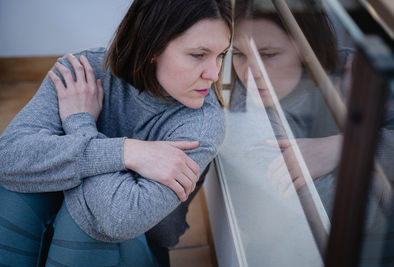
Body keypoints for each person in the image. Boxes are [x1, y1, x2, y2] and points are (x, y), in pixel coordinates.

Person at [0, 0, 232, 266]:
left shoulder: (201, 124)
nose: (214, 74)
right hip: (53, 215)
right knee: (16, 187)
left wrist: (81, 124)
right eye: (198, 55)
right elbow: (7, 158)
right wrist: (127, 151)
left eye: (221, 54)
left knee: (87, 221)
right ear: (152, 45)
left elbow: (117, 219)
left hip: (130, 249)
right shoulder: (83, 72)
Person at [229, 0, 346, 214]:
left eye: (269, 55)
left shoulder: (351, 70)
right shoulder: (251, 126)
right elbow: (362, 214)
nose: (249, 75)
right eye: (239, 55)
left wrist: (342, 147)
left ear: (304, 48)